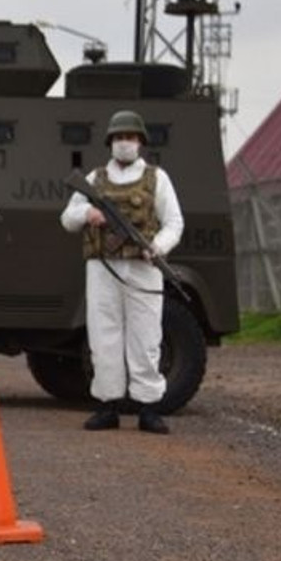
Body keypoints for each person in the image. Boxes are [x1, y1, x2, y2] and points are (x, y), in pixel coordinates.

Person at [60, 109, 184, 434]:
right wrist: (89, 212)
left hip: (143, 268)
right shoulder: (94, 179)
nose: (124, 143)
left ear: (140, 142)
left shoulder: (157, 178)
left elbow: (174, 223)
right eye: (118, 138)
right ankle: (107, 405)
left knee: (146, 338)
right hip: (103, 268)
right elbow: (67, 218)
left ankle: (148, 408)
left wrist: (157, 246)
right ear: (110, 143)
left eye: (129, 137)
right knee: (104, 336)